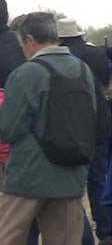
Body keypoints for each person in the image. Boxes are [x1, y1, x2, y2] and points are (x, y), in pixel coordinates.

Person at [0, 12, 96, 245]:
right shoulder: (83, 71)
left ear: (30, 40)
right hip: (71, 176)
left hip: (28, 177)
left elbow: (8, 130)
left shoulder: (26, 73)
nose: (22, 50)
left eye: (22, 45)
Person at [58, 17, 112, 245]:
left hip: (71, 127)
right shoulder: (97, 54)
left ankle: (77, 230)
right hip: (99, 122)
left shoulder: (61, 57)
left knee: (68, 181)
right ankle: (106, 230)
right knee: (98, 177)